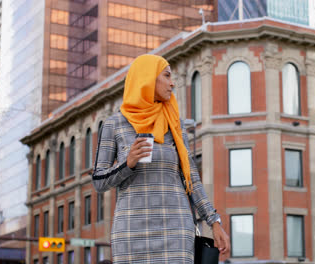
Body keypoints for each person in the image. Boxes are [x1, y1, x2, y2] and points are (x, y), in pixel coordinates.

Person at [92, 54, 230, 263]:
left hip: (176, 230)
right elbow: (99, 181)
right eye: (166, 76)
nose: (172, 83)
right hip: (131, 231)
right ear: (147, 79)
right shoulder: (114, 125)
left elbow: (191, 179)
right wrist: (127, 164)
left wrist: (214, 221)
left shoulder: (175, 124)